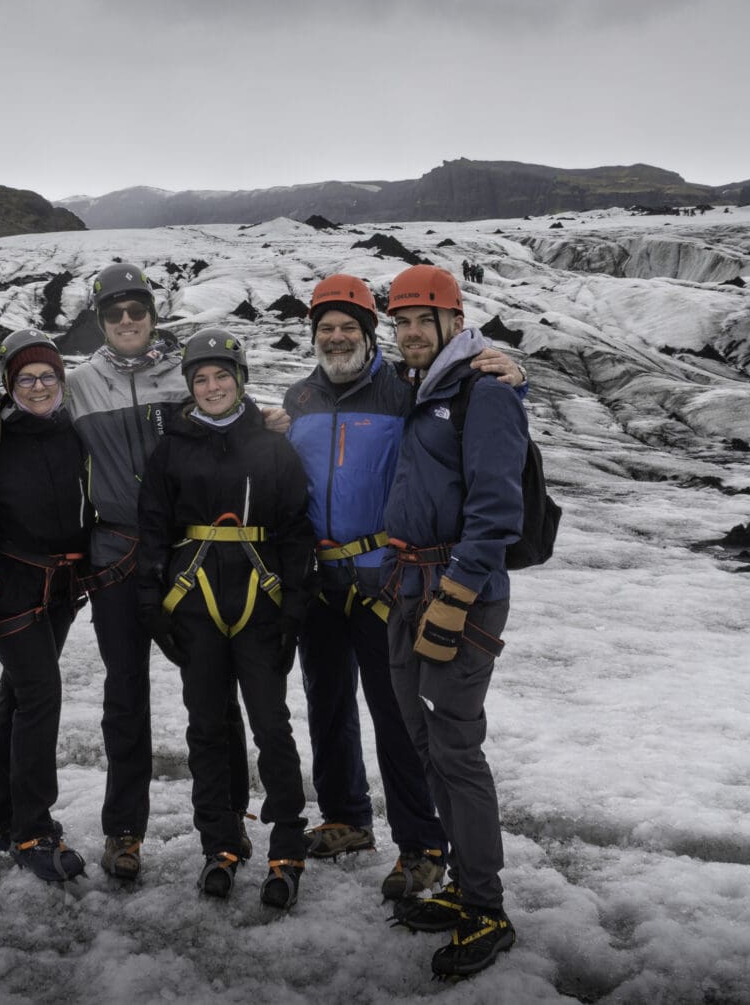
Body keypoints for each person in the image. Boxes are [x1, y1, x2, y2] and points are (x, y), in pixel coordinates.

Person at [284, 273, 527, 900]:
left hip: (385, 580)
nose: (336, 339)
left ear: (370, 336)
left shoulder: (405, 392)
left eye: (349, 328)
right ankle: (346, 818)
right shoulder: (299, 399)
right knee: (327, 704)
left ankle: (421, 844)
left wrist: (515, 373)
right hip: (320, 578)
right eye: (325, 330)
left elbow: (476, 425)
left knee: (398, 717)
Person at [63, 263, 249, 882]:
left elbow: (235, 414)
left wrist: (276, 419)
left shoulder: (187, 375)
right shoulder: (78, 384)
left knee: (213, 693)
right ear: (98, 317)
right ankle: (123, 831)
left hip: (188, 554)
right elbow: (27, 415)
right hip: (115, 555)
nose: (125, 321)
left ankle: (225, 829)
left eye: (135, 309)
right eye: (113, 312)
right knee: (125, 695)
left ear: (152, 313)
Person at [378, 264, 527, 980]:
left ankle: (488, 906)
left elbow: (498, 508)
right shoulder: (424, 384)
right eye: (400, 321)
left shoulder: (483, 389)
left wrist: (458, 593)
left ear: (452, 318)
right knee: (425, 741)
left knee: (457, 748)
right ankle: (465, 887)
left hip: (456, 597)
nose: (408, 333)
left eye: (420, 320)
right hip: (411, 589)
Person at [135, 328, 316, 907]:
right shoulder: (171, 448)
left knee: (271, 727)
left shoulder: (272, 445)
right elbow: (153, 529)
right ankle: (221, 842)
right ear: (190, 386)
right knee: (207, 727)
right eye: (201, 379)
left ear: (240, 380)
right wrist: (151, 603)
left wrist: (295, 606)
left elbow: (294, 529)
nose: (212, 387)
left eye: (222, 377)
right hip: (194, 603)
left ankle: (287, 845)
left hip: (261, 603)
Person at [0, 327, 92, 882]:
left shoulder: (76, 429)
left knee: (15, 697)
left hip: (62, 587)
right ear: (8, 384)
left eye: (47, 377)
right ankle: (32, 830)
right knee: (40, 694)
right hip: (7, 587)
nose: (38, 387)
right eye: (26, 379)